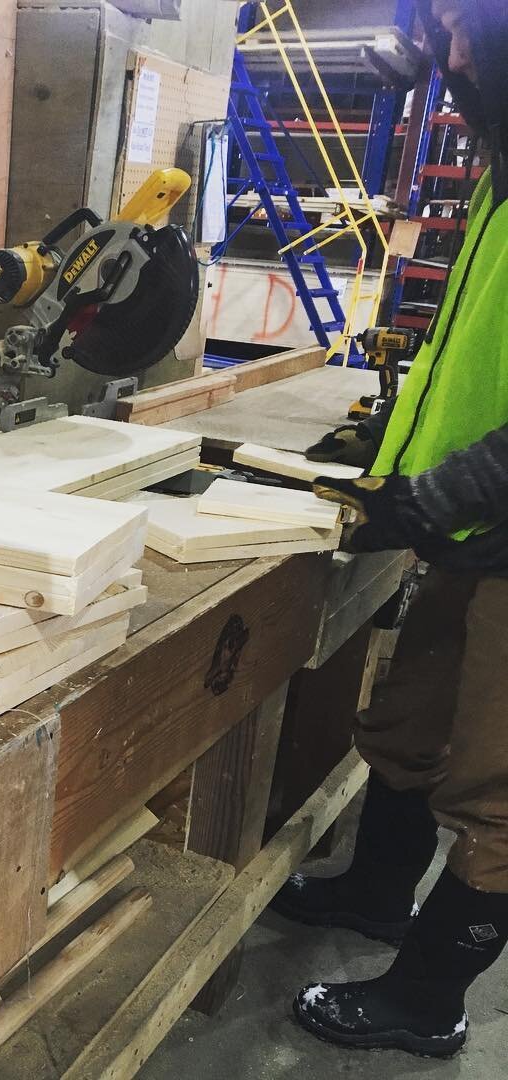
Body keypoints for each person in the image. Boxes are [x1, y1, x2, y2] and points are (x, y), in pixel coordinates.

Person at [270, 0, 508, 1058]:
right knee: (409, 726)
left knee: (497, 795)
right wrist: (392, 468)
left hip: (494, 525)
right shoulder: (502, 174)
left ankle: (427, 1000)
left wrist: (441, 494)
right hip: (474, 530)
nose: (445, 54)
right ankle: (376, 892)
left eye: (464, 32)